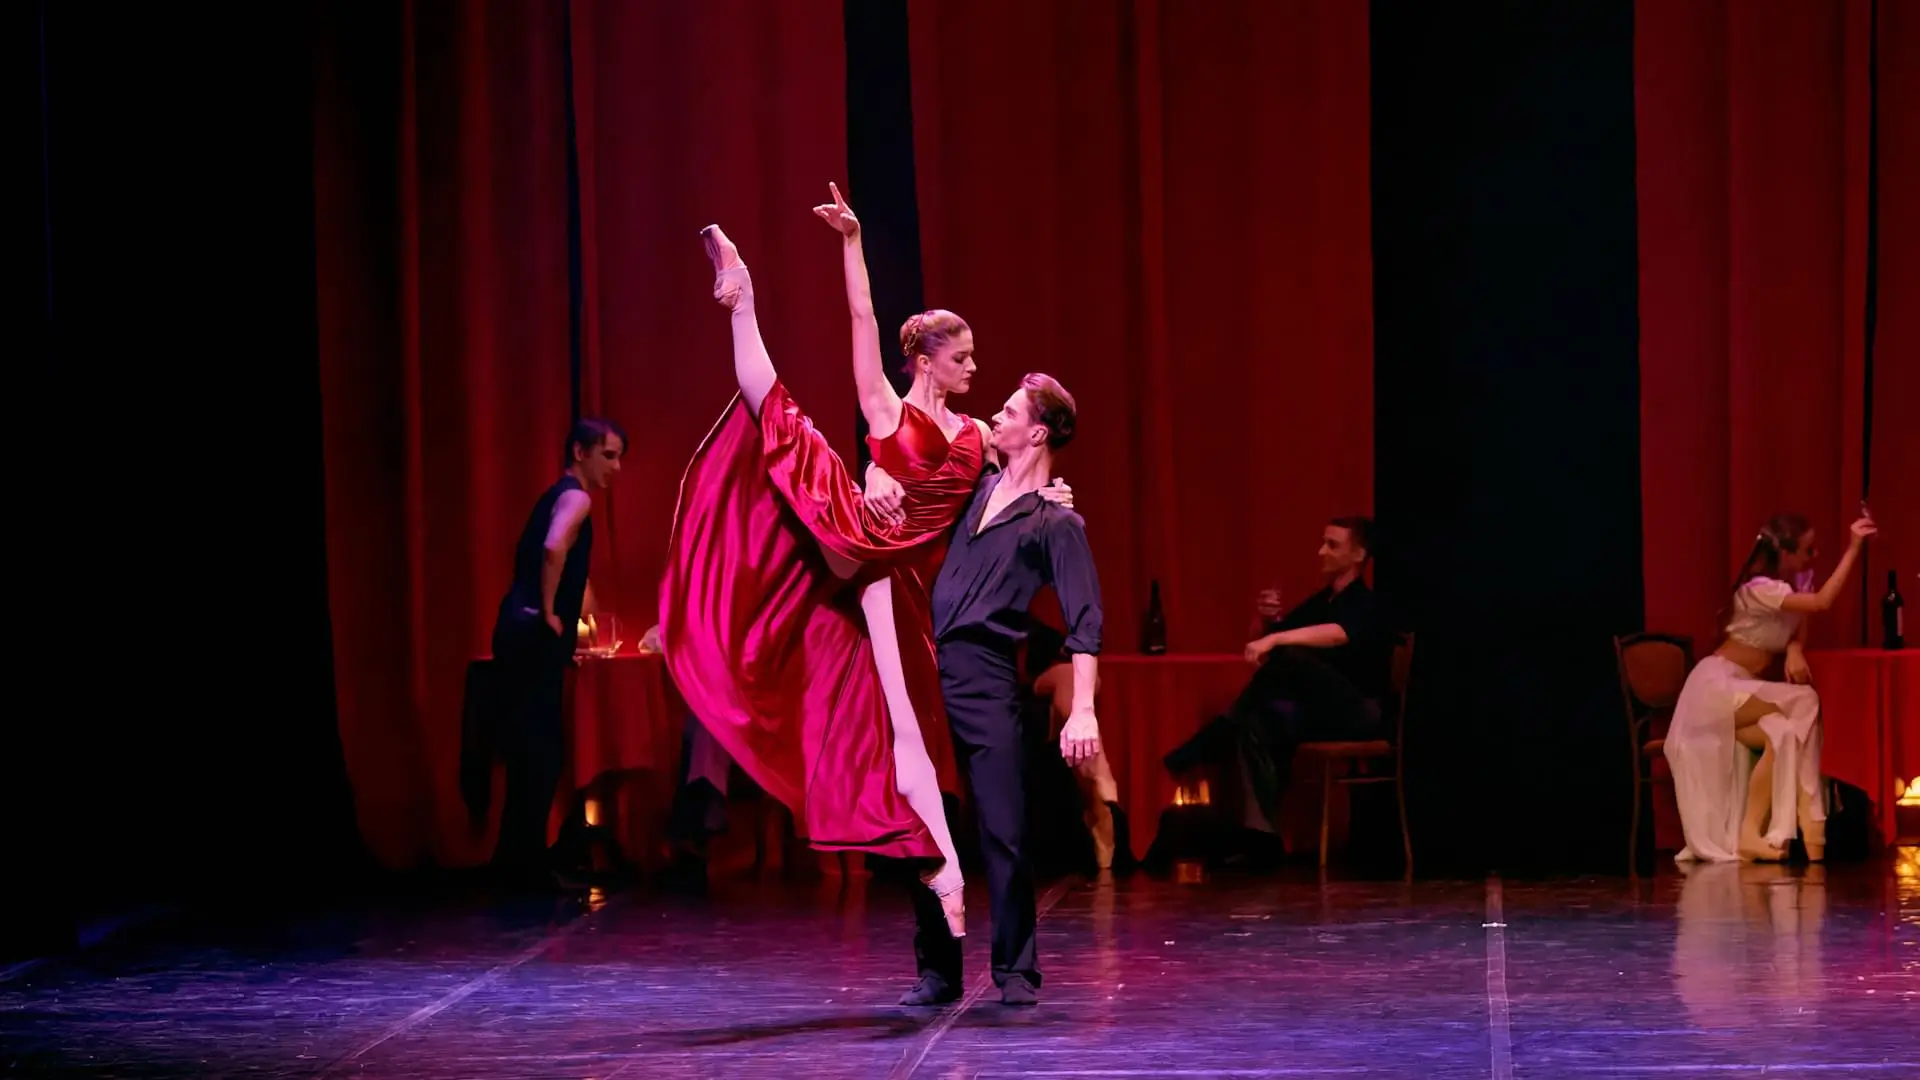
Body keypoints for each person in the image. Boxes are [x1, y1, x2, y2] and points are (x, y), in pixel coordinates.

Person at [660, 184, 1068, 938]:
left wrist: (1049, 494)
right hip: (858, 536)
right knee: (783, 423)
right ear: (926, 362)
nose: (974, 367)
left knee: (907, 733)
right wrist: (851, 242)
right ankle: (742, 299)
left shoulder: (979, 436)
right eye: (962, 357)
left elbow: (1008, 488)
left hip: (889, 576)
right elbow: (861, 317)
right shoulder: (886, 408)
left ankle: (945, 878)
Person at [892, 373, 1104, 1009]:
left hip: (986, 677)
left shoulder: (1055, 521)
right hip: (928, 669)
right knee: (930, 825)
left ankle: (1015, 969)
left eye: (1009, 412)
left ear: (1036, 433)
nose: (996, 417)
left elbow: (1085, 619)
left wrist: (1083, 709)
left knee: (1003, 828)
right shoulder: (974, 487)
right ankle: (937, 971)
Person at [1665, 512, 1877, 863]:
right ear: (1786, 553)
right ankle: (1812, 818)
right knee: (1805, 699)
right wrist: (1854, 548)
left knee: (1781, 733)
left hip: (1744, 689)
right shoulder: (1759, 589)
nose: (1814, 556)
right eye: (1807, 550)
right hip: (1716, 687)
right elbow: (1822, 603)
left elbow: (1798, 627)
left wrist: (1794, 649)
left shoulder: (1787, 594)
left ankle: (1751, 832)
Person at [1161, 518, 1395, 824]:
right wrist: (1265, 621)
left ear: (1359, 555)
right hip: (1320, 713)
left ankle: (1213, 737)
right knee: (1257, 722)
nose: (1321, 551)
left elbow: (1339, 633)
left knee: (1292, 656)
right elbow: (1268, 644)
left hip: (1360, 714)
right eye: (1323, 543)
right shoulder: (1323, 600)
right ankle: (1261, 834)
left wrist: (1275, 639)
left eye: (1333, 545)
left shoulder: (1366, 602)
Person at [488, 418, 625, 885]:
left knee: (533, 753)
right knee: (541, 755)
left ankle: (516, 863)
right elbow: (553, 548)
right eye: (609, 456)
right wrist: (548, 611)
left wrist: (583, 613)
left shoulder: (558, 496)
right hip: (532, 636)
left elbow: (566, 567)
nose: (617, 467)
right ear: (580, 453)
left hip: (517, 633)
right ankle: (523, 868)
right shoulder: (577, 498)